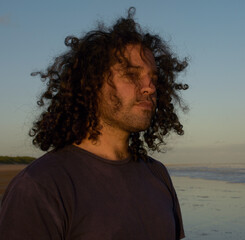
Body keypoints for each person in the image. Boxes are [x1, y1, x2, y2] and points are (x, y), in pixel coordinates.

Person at [0, 8, 188, 240]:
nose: (149, 87)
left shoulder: (157, 174)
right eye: (131, 74)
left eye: (154, 78)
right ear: (92, 84)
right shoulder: (42, 185)